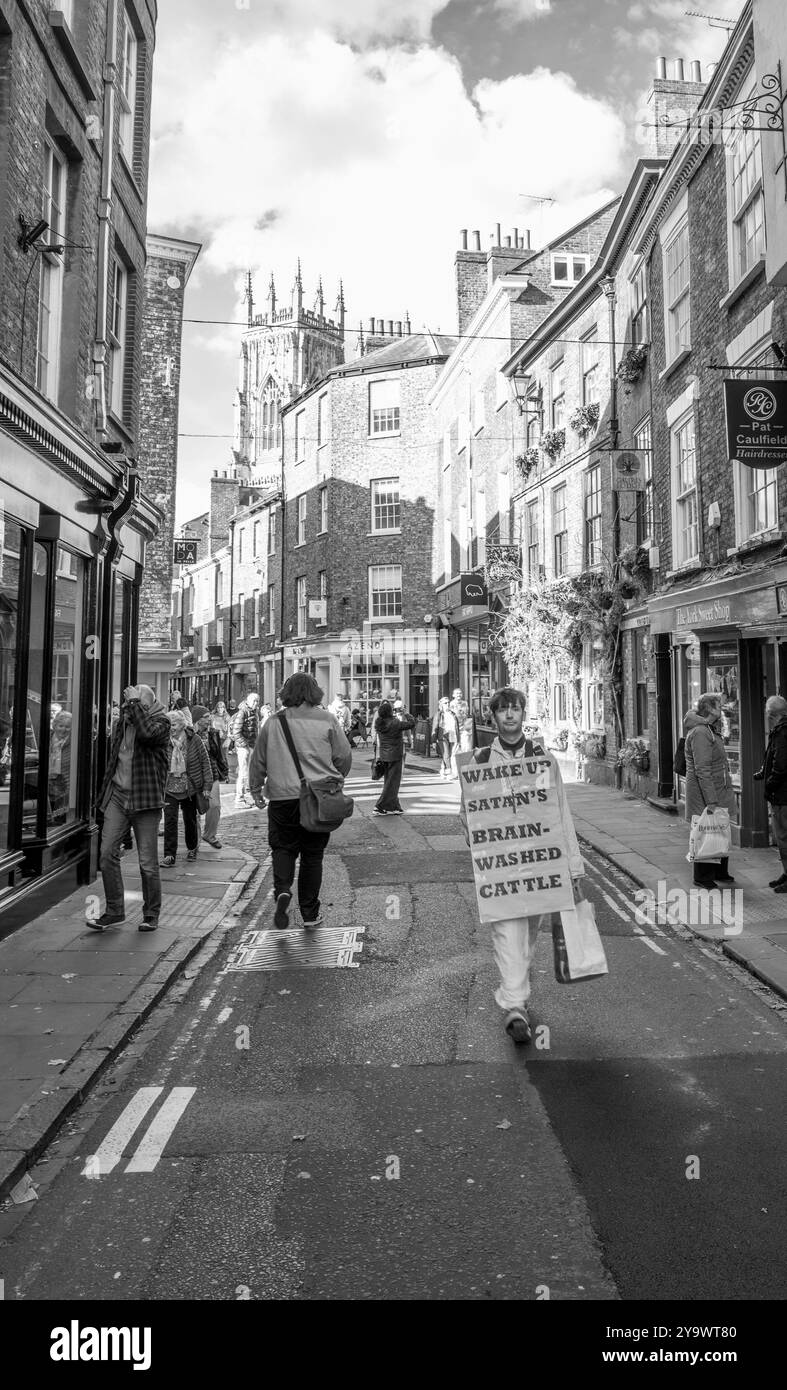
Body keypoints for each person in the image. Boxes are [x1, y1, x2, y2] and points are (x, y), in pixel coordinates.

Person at [459, 686, 584, 1044]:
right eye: (503, 711)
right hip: (501, 867)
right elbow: (466, 813)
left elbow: (560, 811)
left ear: (523, 715)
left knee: (527, 933)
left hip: (541, 864)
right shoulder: (480, 762)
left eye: (515, 709)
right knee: (507, 931)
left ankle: (519, 996)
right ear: (494, 717)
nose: (510, 716)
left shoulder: (542, 758)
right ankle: (515, 1006)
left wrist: (574, 868)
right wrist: (477, 834)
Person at [249, 673, 352, 929]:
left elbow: (257, 760)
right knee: (312, 855)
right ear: (314, 692)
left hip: (283, 798)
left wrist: (254, 789)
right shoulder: (327, 719)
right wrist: (335, 777)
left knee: (283, 848)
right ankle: (309, 913)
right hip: (318, 798)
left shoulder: (273, 723)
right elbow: (343, 756)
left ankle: (282, 889)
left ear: (287, 693)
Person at [92, 684, 170, 932]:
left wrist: (135, 703)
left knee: (147, 862)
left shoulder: (162, 723)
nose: (128, 710)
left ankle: (151, 914)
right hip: (118, 796)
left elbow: (147, 734)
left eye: (134, 705)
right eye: (126, 705)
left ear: (146, 706)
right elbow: (114, 760)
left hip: (145, 801)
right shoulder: (122, 724)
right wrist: (102, 795)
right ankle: (115, 911)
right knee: (106, 854)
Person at [684, 692, 736, 888]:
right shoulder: (700, 732)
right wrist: (711, 799)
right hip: (705, 791)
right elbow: (702, 769)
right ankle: (703, 877)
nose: (722, 707)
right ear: (710, 709)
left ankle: (720, 871)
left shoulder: (709, 729)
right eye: (718, 704)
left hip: (716, 787)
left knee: (719, 829)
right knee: (705, 831)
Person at [160, 708, 212, 866]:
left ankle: (191, 848)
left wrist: (207, 785)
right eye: (169, 724)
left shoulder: (193, 739)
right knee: (169, 821)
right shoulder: (164, 741)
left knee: (190, 820)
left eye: (174, 724)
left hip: (189, 787)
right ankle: (169, 855)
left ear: (182, 725)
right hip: (170, 787)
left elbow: (205, 762)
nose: (171, 728)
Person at [755, 694, 787, 892]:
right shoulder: (780, 731)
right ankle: (786, 873)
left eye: (767, 712)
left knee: (783, 837)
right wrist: (763, 772)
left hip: (783, 796)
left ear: (771, 714)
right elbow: (774, 758)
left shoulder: (782, 732)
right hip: (783, 794)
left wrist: (769, 784)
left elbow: (781, 765)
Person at [193, 704, 229, 849]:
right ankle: (194, 842)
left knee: (214, 806)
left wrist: (224, 772)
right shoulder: (190, 734)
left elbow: (219, 755)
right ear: (197, 719)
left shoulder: (213, 733)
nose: (209, 719)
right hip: (194, 775)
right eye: (206, 717)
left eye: (209, 717)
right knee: (194, 810)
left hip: (212, 773)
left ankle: (209, 834)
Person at [371, 699, 414, 815]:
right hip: (395, 755)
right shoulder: (395, 722)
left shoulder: (379, 723)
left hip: (384, 755)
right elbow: (411, 724)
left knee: (389, 781)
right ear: (390, 711)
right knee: (393, 783)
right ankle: (379, 806)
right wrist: (406, 713)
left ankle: (394, 807)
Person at [231, 691, 260, 806]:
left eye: (257, 701)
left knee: (248, 772)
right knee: (243, 773)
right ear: (248, 701)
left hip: (251, 746)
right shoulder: (243, 712)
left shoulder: (254, 712)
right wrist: (245, 746)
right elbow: (236, 732)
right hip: (244, 747)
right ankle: (239, 799)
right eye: (254, 701)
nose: (256, 703)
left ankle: (246, 796)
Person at [48, 710, 72, 821]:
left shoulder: (73, 742)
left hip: (65, 783)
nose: (63, 729)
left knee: (60, 814)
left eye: (67, 727)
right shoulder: (48, 739)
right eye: (60, 725)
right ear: (54, 725)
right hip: (48, 781)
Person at [432, 696, 459, 779]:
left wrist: (458, 739)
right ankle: (448, 772)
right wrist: (433, 741)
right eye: (445, 703)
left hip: (452, 735)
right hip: (442, 736)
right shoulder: (439, 714)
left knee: (450, 754)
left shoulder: (453, 714)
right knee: (446, 754)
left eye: (448, 703)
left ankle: (443, 770)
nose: (447, 704)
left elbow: (457, 726)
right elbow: (435, 727)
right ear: (441, 704)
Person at [451, 687, 473, 755]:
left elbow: (466, 714)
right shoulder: (451, 704)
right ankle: (453, 762)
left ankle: (465, 761)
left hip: (464, 728)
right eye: (457, 693)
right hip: (454, 728)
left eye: (460, 693)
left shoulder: (465, 703)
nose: (459, 695)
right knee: (455, 747)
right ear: (453, 695)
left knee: (466, 746)